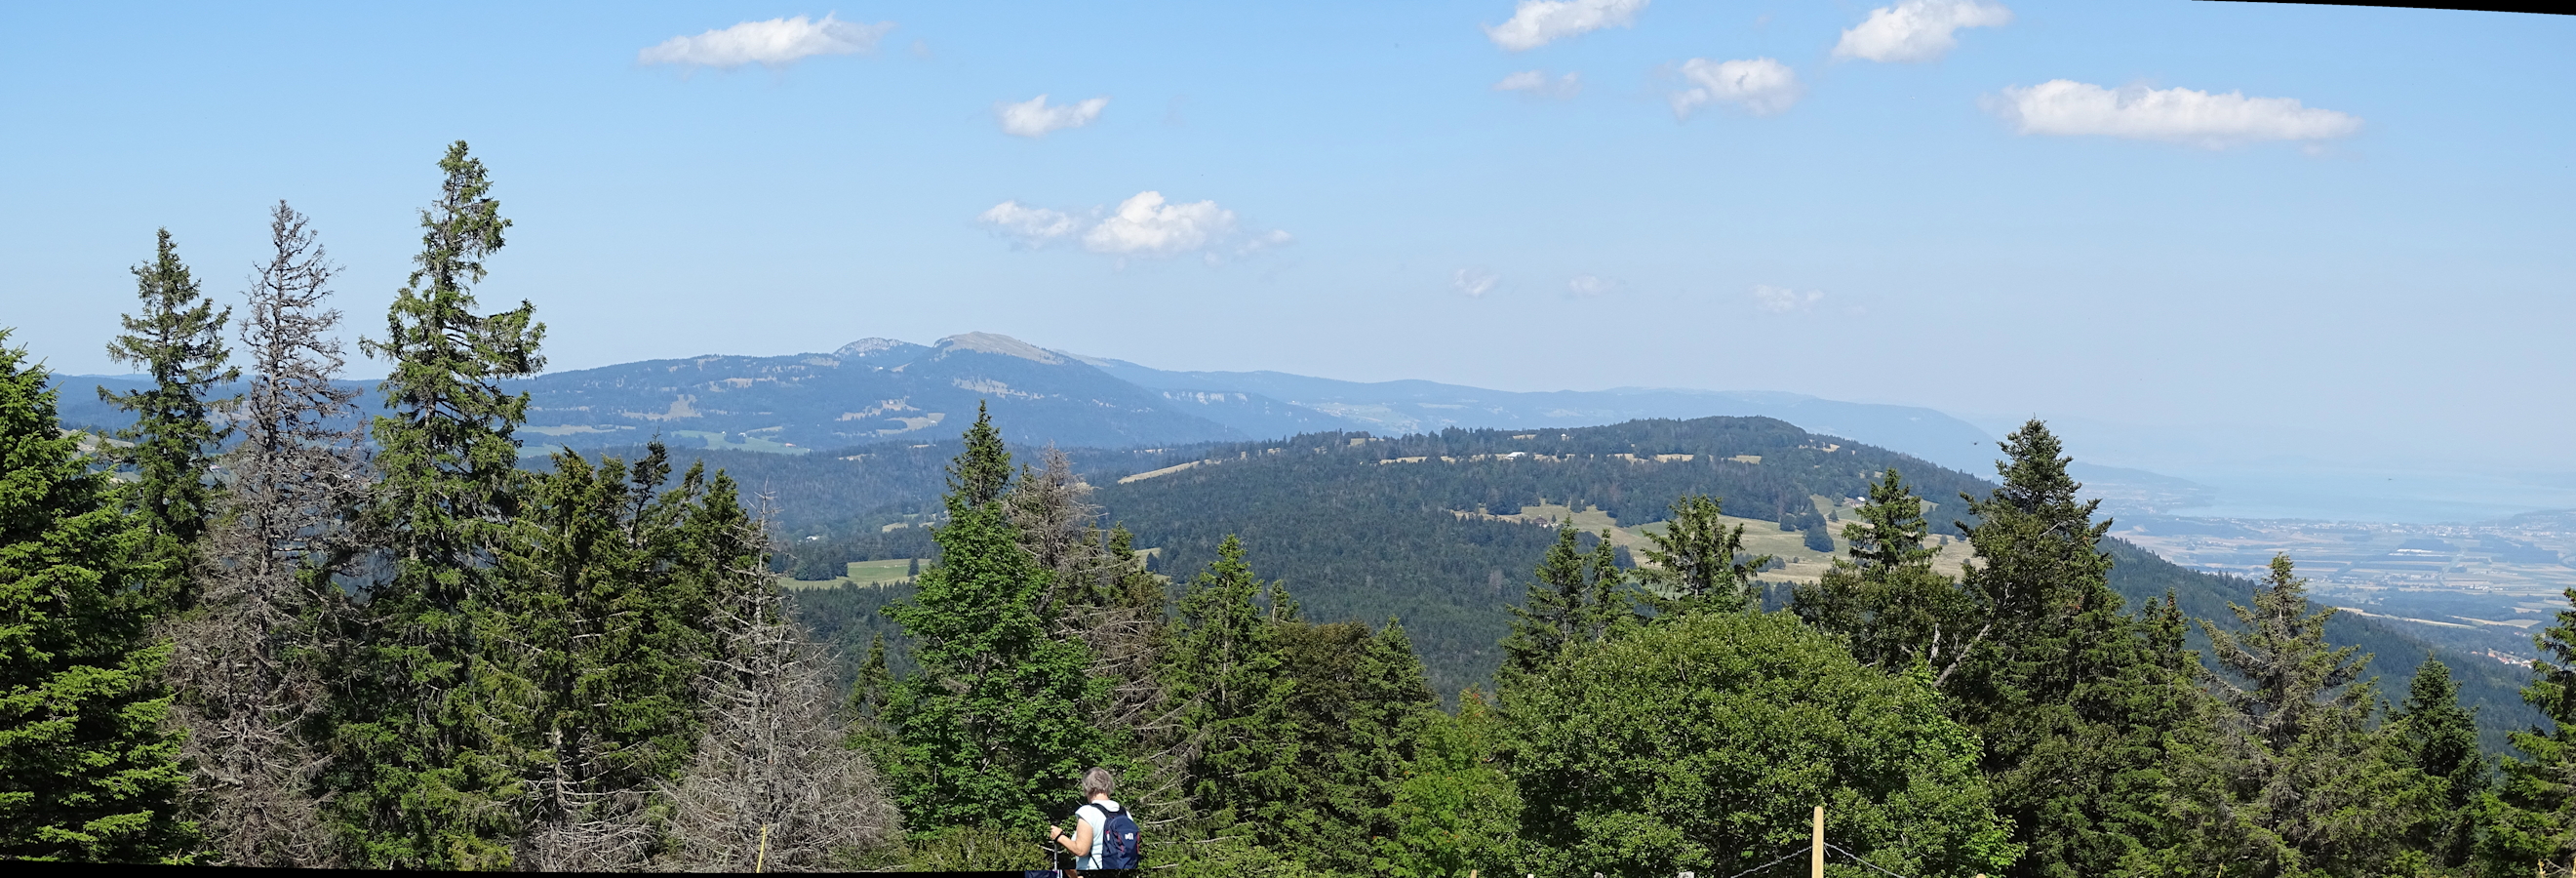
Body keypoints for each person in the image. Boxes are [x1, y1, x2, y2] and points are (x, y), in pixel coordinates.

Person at [1046, 767, 1136, 877]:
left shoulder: (1088, 812)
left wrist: (1059, 837)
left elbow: (1081, 850)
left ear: (1087, 788)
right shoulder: (1124, 813)